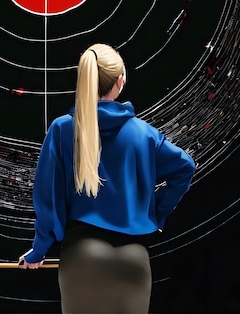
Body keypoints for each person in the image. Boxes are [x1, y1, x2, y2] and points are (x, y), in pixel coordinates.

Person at [19, 44, 196, 314]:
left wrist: (39, 251)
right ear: (120, 81)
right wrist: (156, 212)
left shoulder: (62, 129)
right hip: (134, 263)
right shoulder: (144, 134)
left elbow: (48, 200)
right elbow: (185, 167)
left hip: (82, 258)